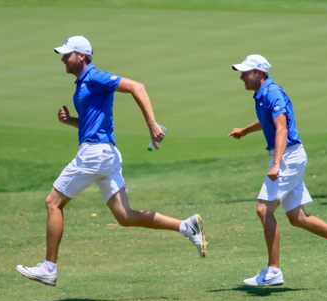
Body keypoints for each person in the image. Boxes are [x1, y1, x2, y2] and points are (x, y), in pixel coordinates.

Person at [17, 36, 208, 286]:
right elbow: (91, 124)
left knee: (53, 203)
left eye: (67, 54)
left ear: (82, 56)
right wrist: (71, 121)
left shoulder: (95, 77)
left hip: (95, 154)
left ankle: (49, 268)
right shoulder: (83, 83)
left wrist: (151, 123)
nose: (63, 58)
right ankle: (187, 227)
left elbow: (137, 86)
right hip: (106, 154)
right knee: (125, 216)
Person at [228, 54, 327, 286]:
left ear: (260, 73)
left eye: (246, 72)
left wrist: (277, 165)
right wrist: (244, 130)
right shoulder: (262, 95)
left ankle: (273, 271)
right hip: (286, 156)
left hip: (288, 156)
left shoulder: (272, 92)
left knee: (263, 209)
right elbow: (266, 120)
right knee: (297, 217)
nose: (242, 77)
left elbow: (281, 129)